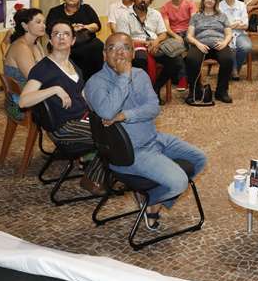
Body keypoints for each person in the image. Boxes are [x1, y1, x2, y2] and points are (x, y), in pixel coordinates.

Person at [85, 33, 207, 231]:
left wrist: (125, 115)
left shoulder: (140, 75)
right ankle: (151, 202)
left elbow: (153, 108)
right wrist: (124, 77)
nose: (119, 53)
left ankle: (152, 202)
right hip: (130, 152)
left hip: (155, 139)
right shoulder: (96, 83)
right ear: (104, 54)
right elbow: (107, 111)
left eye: (125, 47)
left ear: (133, 53)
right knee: (179, 182)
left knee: (199, 159)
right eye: (112, 48)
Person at [19, 20, 104, 193]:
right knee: (111, 139)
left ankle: (98, 169)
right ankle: (94, 178)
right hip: (64, 127)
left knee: (118, 128)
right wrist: (54, 89)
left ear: (73, 41)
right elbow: (23, 101)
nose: (61, 37)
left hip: (82, 119)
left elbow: (82, 95)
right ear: (50, 40)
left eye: (66, 34)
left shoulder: (73, 66)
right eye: (56, 34)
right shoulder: (43, 68)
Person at [115, 0, 182, 104]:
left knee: (176, 62)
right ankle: (143, 93)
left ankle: (156, 87)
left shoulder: (155, 14)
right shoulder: (124, 15)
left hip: (155, 46)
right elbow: (124, 38)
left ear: (150, 0)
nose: (143, 0)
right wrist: (144, 43)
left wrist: (156, 41)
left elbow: (163, 33)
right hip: (134, 48)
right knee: (141, 58)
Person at [46, 0, 104, 80]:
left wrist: (84, 27)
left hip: (86, 41)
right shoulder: (55, 11)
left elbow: (97, 25)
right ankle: (76, 80)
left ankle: (94, 80)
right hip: (64, 43)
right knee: (77, 52)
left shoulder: (86, 9)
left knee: (98, 45)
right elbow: (49, 30)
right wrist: (70, 29)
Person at [185, 0, 233, 104]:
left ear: (216, 2)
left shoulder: (222, 16)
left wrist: (224, 43)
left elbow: (229, 34)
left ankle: (222, 91)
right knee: (191, 59)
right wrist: (198, 43)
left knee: (228, 59)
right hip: (201, 44)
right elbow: (189, 36)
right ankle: (195, 91)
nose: (209, 0)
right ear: (203, 1)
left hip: (218, 44)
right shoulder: (196, 16)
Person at [3, 8, 46, 117]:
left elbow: (45, 67)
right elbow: (34, 77)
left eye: (43, 22)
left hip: (31, 92)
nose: (43, 26)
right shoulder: (21, 47)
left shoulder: (36, 43)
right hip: (19, 103)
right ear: (25, 26)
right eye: (38, 22)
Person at [160, 0, 195, 91]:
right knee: (176, 51)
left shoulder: (190, 3)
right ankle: (183, 79)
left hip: (189, 31)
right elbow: (167, 28)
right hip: (173, 34)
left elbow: (194, 22)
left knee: (191, 50)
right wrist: (176, 36)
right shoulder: (165, 7)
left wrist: (188, 35)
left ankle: (190, 78)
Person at [218, 0, 252, 81]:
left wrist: (230, 25)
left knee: (246, 47)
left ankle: (235, 69)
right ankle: (234, 72)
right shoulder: (219, 6)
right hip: (225, 34)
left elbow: (245, 25)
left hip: (240, 33)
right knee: (230, 47)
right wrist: (236, 24)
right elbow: (220, 25)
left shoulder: (241, 5)